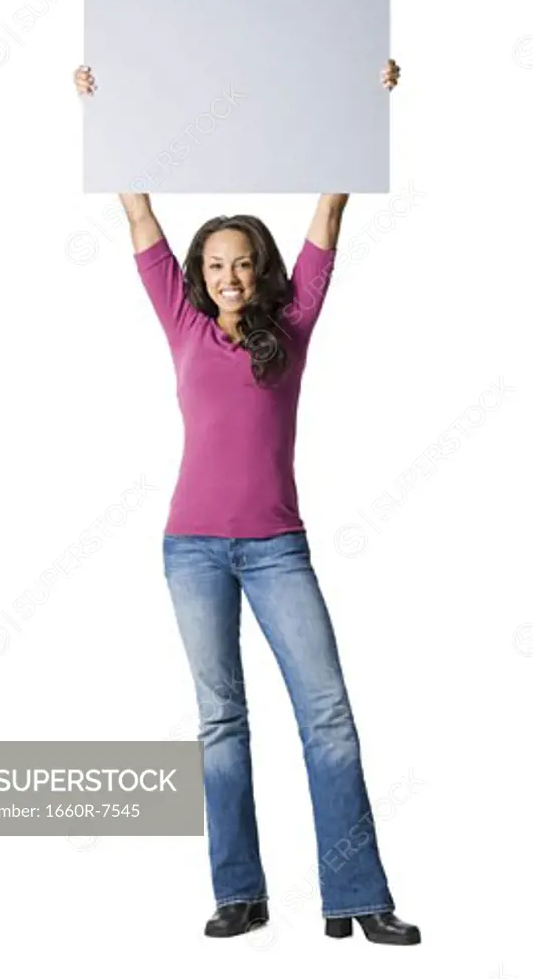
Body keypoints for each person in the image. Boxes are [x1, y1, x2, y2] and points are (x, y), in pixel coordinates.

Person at [73, 62, 420, 945]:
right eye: (215, 264)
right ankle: (240, 893)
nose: (229, 275)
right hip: (190, 548)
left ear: (259, 270)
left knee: (326, 716)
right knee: (220, 722)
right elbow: (139, 213)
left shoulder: (293, 323)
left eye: (242, 263)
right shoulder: (181, 321)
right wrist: (104, 108)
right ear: (200, 274)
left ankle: (357, 896)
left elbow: (331, 212)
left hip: (275, 548)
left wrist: (361, 100)